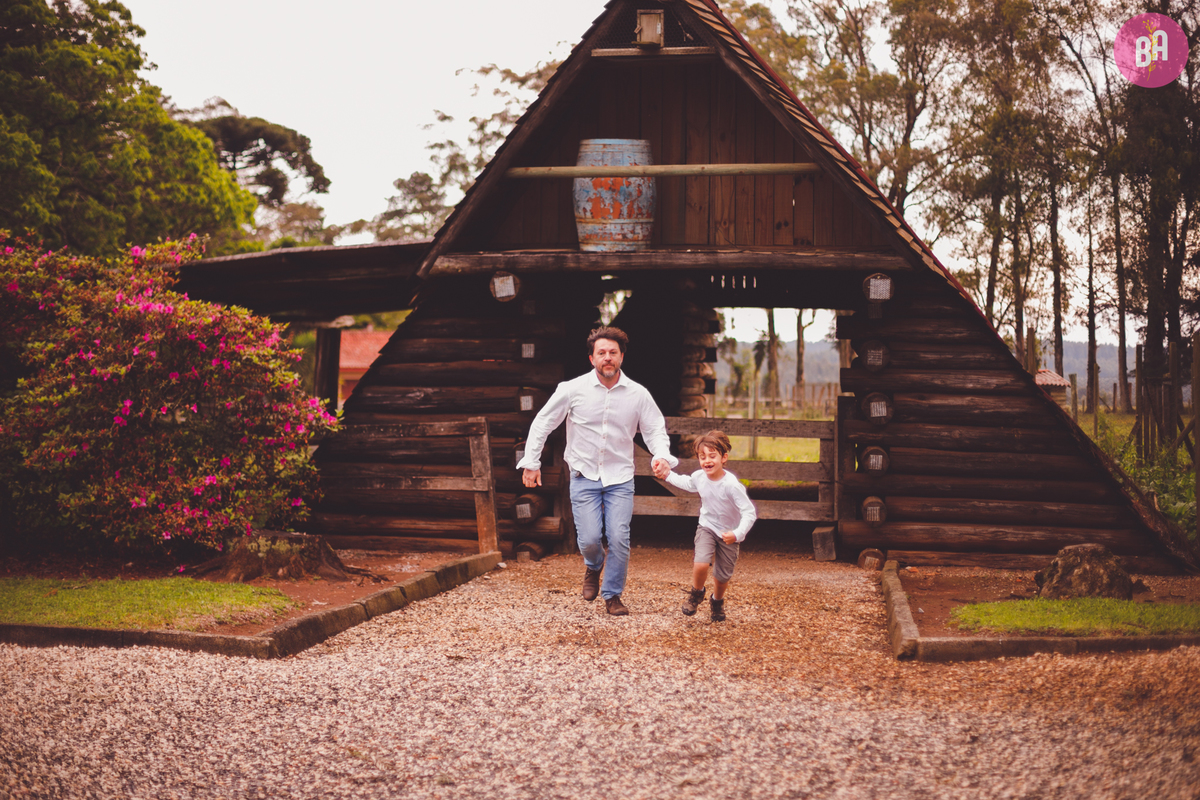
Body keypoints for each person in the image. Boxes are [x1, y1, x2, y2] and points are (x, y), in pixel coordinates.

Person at [517, 326, 677, 616]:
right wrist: (531, 462)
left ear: (622, 357)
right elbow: (543, 423)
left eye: (613, 352)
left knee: (619, 538)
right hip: (583, 475)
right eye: (601, 353)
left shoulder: (638, 394)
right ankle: (593, 565)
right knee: (590, 539)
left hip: (620, 477)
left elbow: (655, 429)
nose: (607, 357)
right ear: (592, 358)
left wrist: (662, 456)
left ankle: (612, 595)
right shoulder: (572, 389)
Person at [653, 430, 755, 622]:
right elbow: (686, 482)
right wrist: (667, 474)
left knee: (722, 576)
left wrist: (737, 533)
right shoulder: (699, 477)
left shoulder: (731, 485)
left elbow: (749, 512)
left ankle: (717, 601)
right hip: (707, 526)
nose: (707, 460)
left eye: (712, 456)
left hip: (729, 533)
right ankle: (696, 593)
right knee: (700, 563)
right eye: (702, 456)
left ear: (724, 458)